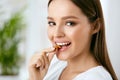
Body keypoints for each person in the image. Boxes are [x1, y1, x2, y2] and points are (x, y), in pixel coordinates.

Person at [28, 0, 118, 80]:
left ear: (95, 26)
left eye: (69, 23)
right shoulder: (54, 65)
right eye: (52, 23)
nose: (56, 34)